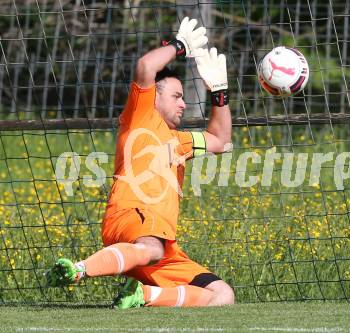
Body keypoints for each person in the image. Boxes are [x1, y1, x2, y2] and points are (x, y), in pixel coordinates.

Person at [45, 17, 234, 308]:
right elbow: (146, 67)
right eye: (176, 96)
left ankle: (143, 295)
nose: (183, 104)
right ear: (154, 97)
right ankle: (79, 270)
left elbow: (219, 141)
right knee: (152, 248)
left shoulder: (180, 141)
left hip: (160, 243)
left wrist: (219, 92)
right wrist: (179, 46)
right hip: (133, 220)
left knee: (223, 296)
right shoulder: (140, 117)